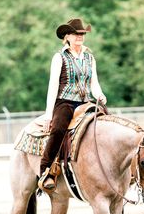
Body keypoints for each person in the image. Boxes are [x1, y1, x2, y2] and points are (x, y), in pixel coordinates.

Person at [38, 18, 107, 191]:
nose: (80, 37)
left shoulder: (90, 58)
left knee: (107, 119)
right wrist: (48, 114)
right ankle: (46, 171)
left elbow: (94, 83)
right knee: (59, 129)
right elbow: (53, 86)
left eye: (82, 34)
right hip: (65, 102)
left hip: (85, 102)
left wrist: (100, 94)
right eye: (76, 34)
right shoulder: (59, 57)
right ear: (67, 36)